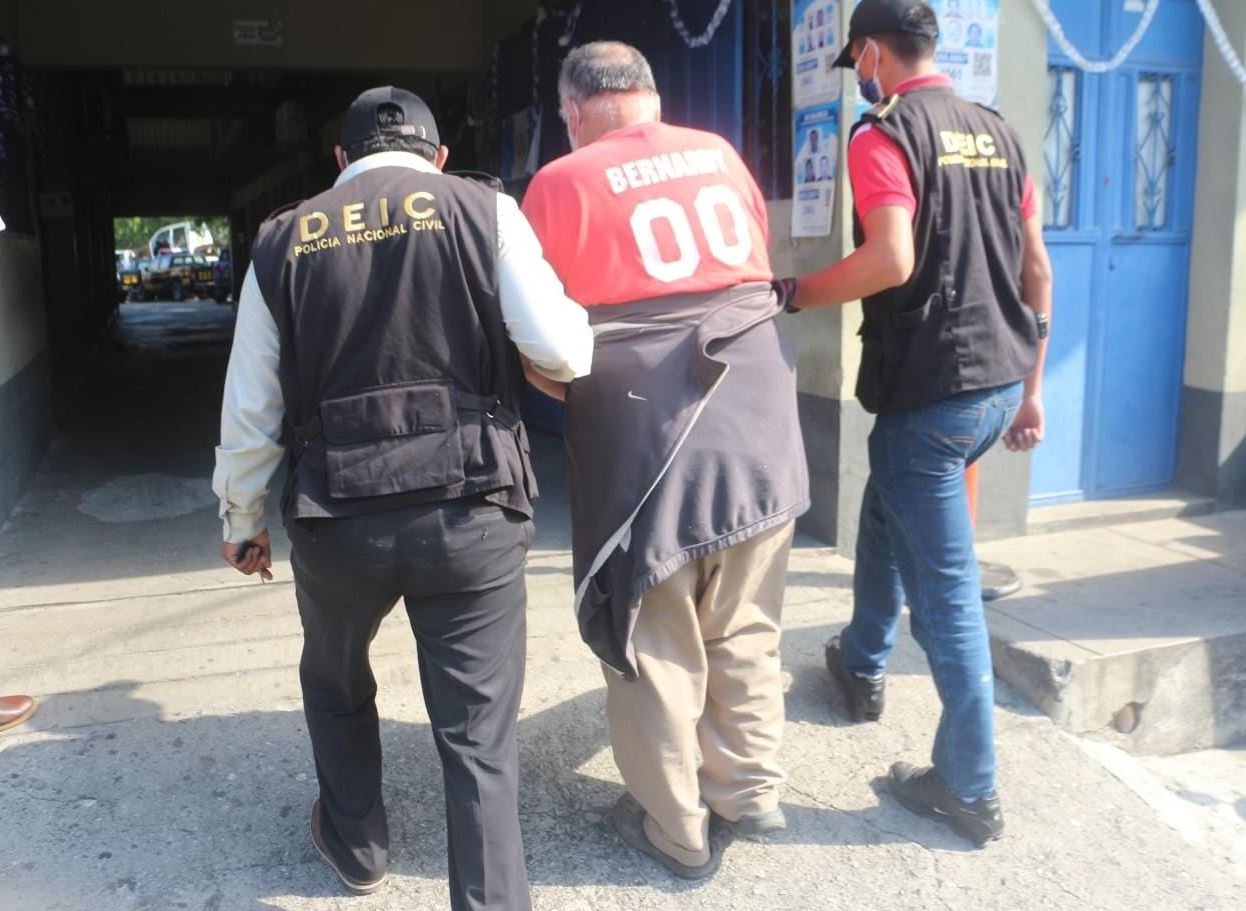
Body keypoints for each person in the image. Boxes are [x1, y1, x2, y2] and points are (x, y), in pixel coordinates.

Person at [212, 85, 593, 908]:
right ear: (439, 157)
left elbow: (251, 406)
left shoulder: (282, 239)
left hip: (337, 515)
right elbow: (561, 350)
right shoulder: (481, 208)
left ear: (341, 162)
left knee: (336, 677)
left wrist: (241, 518)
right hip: (473, 504)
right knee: (478, 731)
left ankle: (357, 842)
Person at [521, 42, 809, 880]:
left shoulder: (559, 182)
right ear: (650, 96)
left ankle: (675, 830)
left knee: (652, 635)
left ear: (573, 112)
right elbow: (747, 278)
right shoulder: (719, 153)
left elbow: (541, 340)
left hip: (652, 432)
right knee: (747, 619)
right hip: (759, 413)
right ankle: (751, 791)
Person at [788, 0, 1052, 846]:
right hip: (1000, 383)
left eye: (856, 60)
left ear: (869, 51)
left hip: (934, 395)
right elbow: (1035, 265)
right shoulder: (998, 131)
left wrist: (791, 293)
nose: (858, 73)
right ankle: (860, 664)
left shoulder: (883, 134)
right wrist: (1033, 391)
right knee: (881, 509)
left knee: (947, 601)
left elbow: (890, 258)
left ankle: (969, 786)